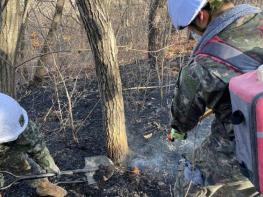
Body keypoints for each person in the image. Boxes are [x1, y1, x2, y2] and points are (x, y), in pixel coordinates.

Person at [167, 0, 263, 196]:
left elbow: (183, 116)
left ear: (201, 16)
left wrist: (178, 129)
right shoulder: (258, 17)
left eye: (190, 28)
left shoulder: (204, 64)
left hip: (245, 152)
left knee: (189, 179)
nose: (193, 34)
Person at [0, 93, 67, 197]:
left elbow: (38, 146)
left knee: (21, 162)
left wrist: (50, 166)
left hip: (8, 148)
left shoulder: (16, 118)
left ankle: (43, 186)